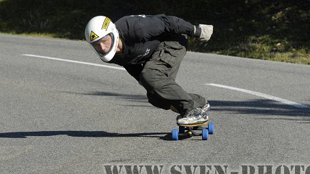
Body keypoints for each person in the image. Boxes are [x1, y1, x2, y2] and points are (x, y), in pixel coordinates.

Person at [84, 14, 214, 125]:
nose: (102, 47)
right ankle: (199, 103)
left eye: (104, 41)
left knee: (151, 75)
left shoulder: (135, 28)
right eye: (96, 45)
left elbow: (167, 21)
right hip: (154, 53)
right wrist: (147, 84)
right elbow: (130, 64)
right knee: (155, 97)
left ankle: (191, 111)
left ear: (112, 33)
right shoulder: (110, 55)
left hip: (173, 40)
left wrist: (196, 31)